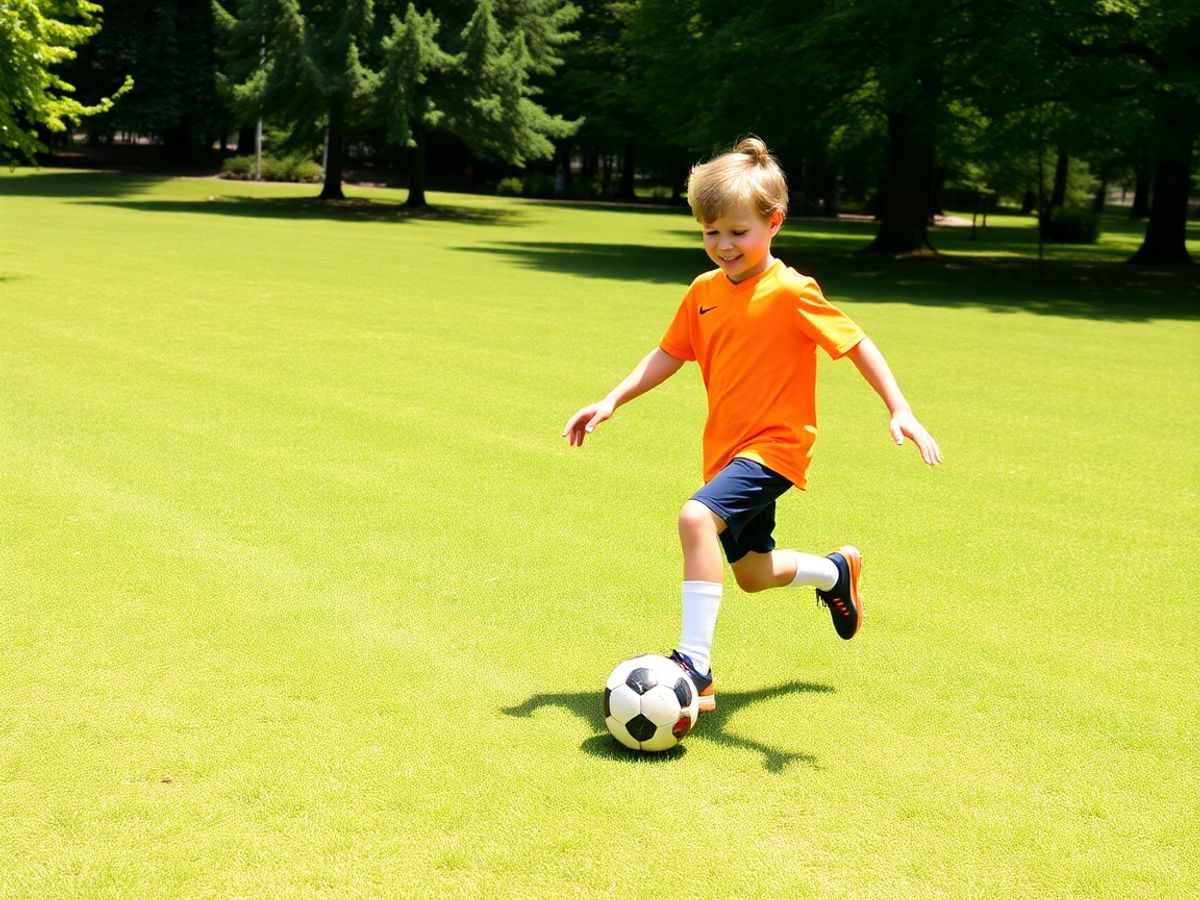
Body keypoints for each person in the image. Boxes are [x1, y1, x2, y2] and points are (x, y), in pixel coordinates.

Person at [562, 136, 941, 712]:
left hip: (776, 449)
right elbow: (669, 352)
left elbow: (857, 343)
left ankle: (695, 664)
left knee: (695, 518)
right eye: (711, 231)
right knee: (754, 574)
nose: (723, 244)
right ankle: (835, 572)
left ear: (774, 224)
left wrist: (900, 408)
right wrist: (612, 399)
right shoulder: (703, 292)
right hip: (726, 452)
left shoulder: (791, 291)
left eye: (737, 231)